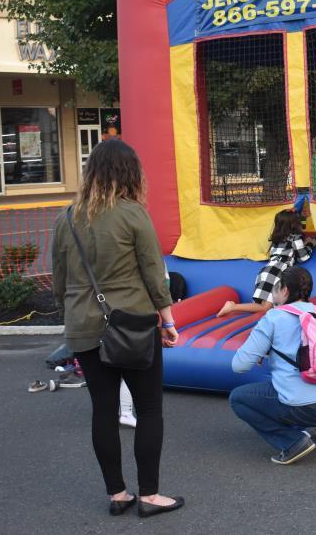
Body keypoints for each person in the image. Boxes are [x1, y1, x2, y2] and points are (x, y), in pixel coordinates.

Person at [51, 139, 183, 518]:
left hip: (82, 326)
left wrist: (75, 314)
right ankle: (151, 495)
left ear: (91, 171)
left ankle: (118, 493)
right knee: (148, 409)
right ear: (130, 173)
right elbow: (155, 275)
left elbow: (58, 282)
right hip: (132, 324)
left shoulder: (66, 218)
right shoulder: (132, 214)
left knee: (103, 411)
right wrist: (168, 321)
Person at [229, 266, 316, 465]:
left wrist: (266, 351)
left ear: (284, 291)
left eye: (275, 288)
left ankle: (293, 442)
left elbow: (239, 366)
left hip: (306, 409)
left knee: (238, 398)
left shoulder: (274, 318)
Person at [218, 209, 316, 317]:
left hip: (266, 271)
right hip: (276, 273)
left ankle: (235, 308)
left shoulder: (276, 240)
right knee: (266, 308)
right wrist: (310, 244)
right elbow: (303, 257)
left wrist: (303, 218)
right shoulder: (295, 238)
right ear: (295, 224)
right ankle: (233, 307)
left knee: (260, 306)